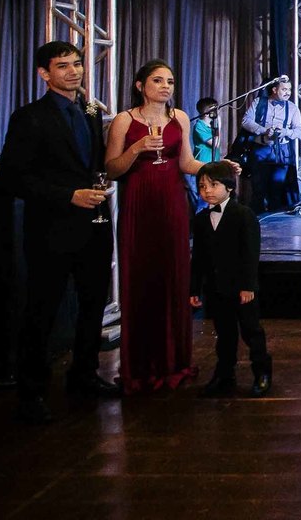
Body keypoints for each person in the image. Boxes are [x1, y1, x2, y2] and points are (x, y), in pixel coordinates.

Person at [0, 41, 120, 424]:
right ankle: (31, 392)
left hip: (95, 226)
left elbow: (94, 165)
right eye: (63, 65)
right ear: (44, 74)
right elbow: (13, 178)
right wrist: (69, 195)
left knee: (92, 306)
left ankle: (84, 375)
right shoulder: (29, 117)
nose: (74, 71)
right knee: (42, 311)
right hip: (51, 230)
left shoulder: (90, 111)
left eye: (77, 64)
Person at [105, 59, 216, 394]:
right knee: (141, 278)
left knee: (172, 277)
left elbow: (186, 163)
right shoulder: (125, 120)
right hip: (138, 202)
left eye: (170, 81)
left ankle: (174, 361)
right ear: (140, 85)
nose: (166, 86)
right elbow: (112, 169)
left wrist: (216, 168)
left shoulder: (179, 117)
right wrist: (136, 148)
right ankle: (140, 367)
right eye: (158, 80)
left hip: (172, 202)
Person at [189, 161, 272, 398]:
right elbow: (199, 258)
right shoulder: (201, 220)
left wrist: (248, 286)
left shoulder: (243, 215)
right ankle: (224, 374)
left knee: (251, 331)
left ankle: (262, 373)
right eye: (202, 186)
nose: (207, 191)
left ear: (229, 187)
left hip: (241, 288)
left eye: (213, 185)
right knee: (224, 333)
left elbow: (250, 254)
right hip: (216, 288)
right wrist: (194, 288)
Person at [241, 79, 301, 214]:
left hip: (282, 152)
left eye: (289, 89)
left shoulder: (292, 108)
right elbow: (246, 121)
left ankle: (276, 220)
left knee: (277, 189)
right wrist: (263, 130)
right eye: (284, 89)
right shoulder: (259, 103)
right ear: (274, 90)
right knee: (258, 189)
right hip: (260, 149)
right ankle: (257, 219)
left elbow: (298, 131)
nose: (288, 93)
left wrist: (285, 132)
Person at [188, 97, 221, 210]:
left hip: (213, 164)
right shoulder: (199, 126)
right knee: (203, 198)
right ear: (207, 112)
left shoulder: (211, 127)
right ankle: (199, 218)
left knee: (212, 198)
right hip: (203, 165)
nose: (217, 112)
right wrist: (219, 126)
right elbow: (215, 143)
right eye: (215, 109)